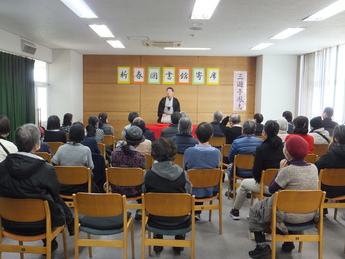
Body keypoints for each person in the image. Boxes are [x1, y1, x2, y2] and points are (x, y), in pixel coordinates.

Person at [0, 124, 74, 251]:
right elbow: (55, 194)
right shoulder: (46, 169)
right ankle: (56, 238)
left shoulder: (2, 167)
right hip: (41, 224)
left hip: (9, 223)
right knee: (53, 201)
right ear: (36, 145)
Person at [248, 135, 318, 258]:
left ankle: (262, 246)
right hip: (309, 214)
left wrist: (280, 170)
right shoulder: (313, 168)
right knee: (293, 202)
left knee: (254, 211)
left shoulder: (287, 171)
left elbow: (271, 189)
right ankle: (288, 242)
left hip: (287, 215)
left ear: (287, 152)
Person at [142, 137, 192, 254]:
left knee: (156, 205)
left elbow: (144, 195)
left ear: (154, 154)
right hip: (180, 218)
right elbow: (188, 194)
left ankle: (157, 240)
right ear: (173, 153)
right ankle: (179, 240)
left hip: (155, 218)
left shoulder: (147, 175)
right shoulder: (183, 174)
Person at [229, 120, 285, 220]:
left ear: (264, 132)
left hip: (265, 185)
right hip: (280, 185)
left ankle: (235, 210)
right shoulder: (283, 146)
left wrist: (258, 180)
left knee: (243, 184)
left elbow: (256, 171)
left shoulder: (261, 148)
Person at [184, 122, 221, 219]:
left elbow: (185, 169)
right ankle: (196, 212)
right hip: (210, 189)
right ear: (211, 135)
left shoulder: (189, 151)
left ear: (195, 135)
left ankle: (193, 211)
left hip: (192, 189)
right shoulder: (217, 152)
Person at [111, 126, 146, 219]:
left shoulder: (114, 153)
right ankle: (141, 209)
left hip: (116, 189)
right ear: (139, 143)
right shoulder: (141, 157)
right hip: (135, 190)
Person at [52, 123, 94, 195]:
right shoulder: (86, 150)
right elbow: (91, 167)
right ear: (83, 136)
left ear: (69, 135)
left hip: (63, 186)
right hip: (81, 186)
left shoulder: (61, 148)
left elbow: (54, 164)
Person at [315, 124, 345, 198]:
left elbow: (316, 167)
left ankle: (323, 208)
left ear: (336, 138)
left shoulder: (329, 155)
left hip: (328, 191)